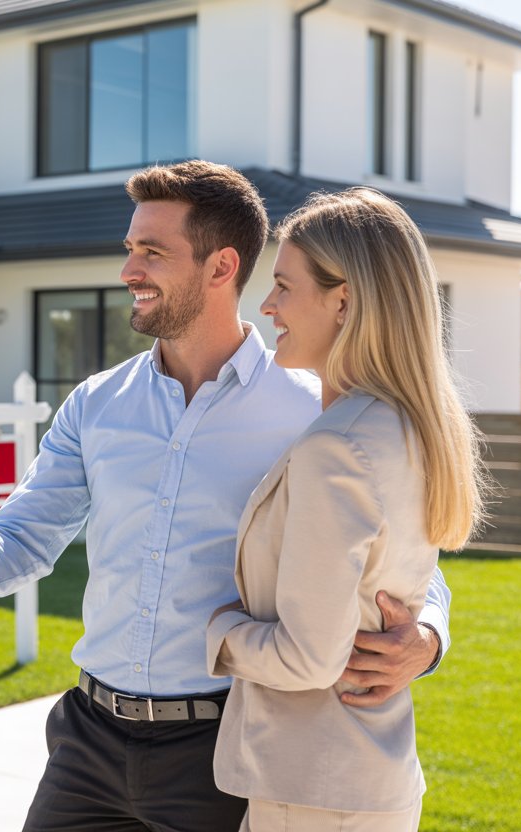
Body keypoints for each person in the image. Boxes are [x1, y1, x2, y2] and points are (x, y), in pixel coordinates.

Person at [0, 161, 451, 831]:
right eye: (130, 249)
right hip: (88, 741)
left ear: (221, 267)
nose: (128, 271)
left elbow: (402, 553)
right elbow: (19, 539)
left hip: (222, 749)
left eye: (152, 252)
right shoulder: (97, 403)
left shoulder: (317, 408)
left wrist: (427, 635)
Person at [206, 188, 485, 831]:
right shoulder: (408, 427)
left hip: (313, 792)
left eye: (283, 286)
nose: (267, 306)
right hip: (365, 780)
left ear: (345, 300)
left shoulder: (338, 444)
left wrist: (213, 631)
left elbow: (308, 659)